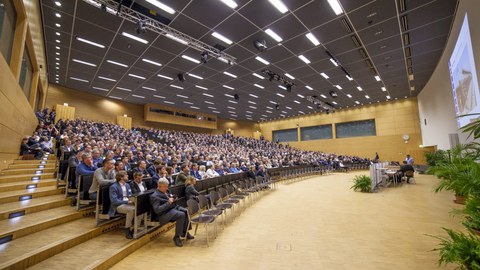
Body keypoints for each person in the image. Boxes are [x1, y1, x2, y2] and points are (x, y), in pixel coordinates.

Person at [149, 178, 194, 247]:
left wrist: (174, 198)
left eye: (167, 186)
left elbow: (171, 198)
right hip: (164, 214)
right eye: (165, 186)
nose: (167, 188)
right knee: (181, 215)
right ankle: (176, 237)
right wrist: (168, 202)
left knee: (186, 211)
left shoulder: (166, 191)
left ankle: (185, 232)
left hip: (172, 208)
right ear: (159, 186)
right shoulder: (154, 196)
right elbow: (157, 210)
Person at [109, 171, 135, 239]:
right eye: (126, 175)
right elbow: (114, 201)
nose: (128, 176)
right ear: (121, 178)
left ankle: (134, 228)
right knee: (131, 210)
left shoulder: (127, 185)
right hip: (118, 206)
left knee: (141, 208)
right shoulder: (113, 187)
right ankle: (127, 229)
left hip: (127, 203)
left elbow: (130, 195)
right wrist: (126, 202)